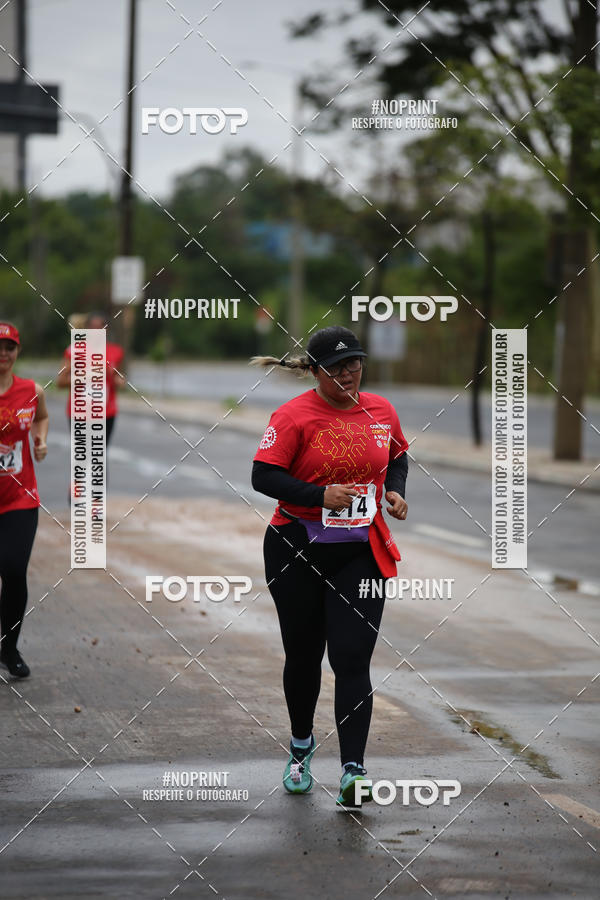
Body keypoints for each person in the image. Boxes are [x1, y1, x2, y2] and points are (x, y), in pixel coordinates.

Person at [251, 325, 408, 807]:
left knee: (352, 658)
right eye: (337, 367)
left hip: (360, 552)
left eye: (354, 363)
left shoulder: (381, 410)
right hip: (295, 546)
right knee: (303, 657)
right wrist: (319, 495)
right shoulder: (294, 415)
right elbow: (263, 475)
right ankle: (301, 747)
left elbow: (399, 455)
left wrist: (396, 491)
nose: (348, 373)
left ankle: (353, 771)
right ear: (315, 372)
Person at [0, 322, 49, 678]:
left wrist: (39, 439)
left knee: (14, 570)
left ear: (17, 352)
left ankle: (9, 648)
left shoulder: (31, 390)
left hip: (21, 496)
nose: (3, 354)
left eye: (9, 347)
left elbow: (41, 418)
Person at [56, 311, 125, 450]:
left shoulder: (115, 351)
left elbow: (120, 380)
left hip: (106, 413)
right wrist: (85, 377)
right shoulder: (74, 351)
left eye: (100, 328)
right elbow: (60, 382)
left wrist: (115, 377)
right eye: (92, 328)